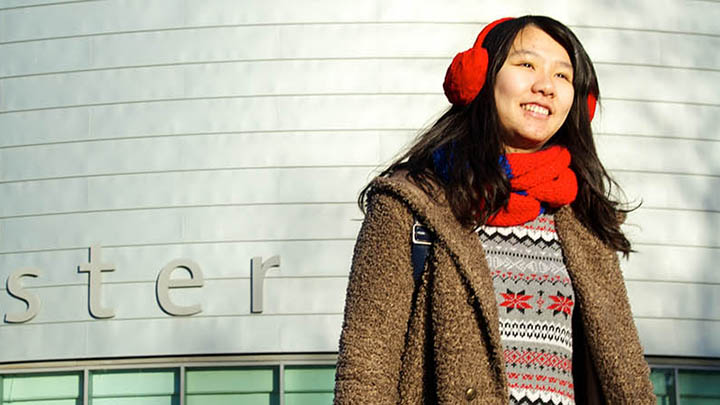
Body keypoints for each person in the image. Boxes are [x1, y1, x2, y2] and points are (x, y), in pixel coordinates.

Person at [333, 15, 656, 405]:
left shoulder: (582, 216)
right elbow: (366, 370)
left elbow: (625, 375)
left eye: (562, 76)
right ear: (481, 77)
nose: (545, 86)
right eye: (526, 65)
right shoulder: (410, 204)